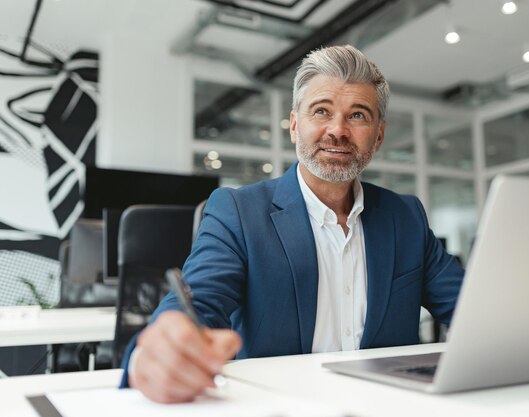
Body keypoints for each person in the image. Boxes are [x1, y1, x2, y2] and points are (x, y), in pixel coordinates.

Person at [122, 45, 464, 403]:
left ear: (378, 136)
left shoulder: (405, 216)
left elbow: (470, 309)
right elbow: (197, 304)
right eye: (321, 111)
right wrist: (159, 350)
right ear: (296, 126)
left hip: (389, 405)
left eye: (358, 115)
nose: (338, 130)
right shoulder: (237, 210)